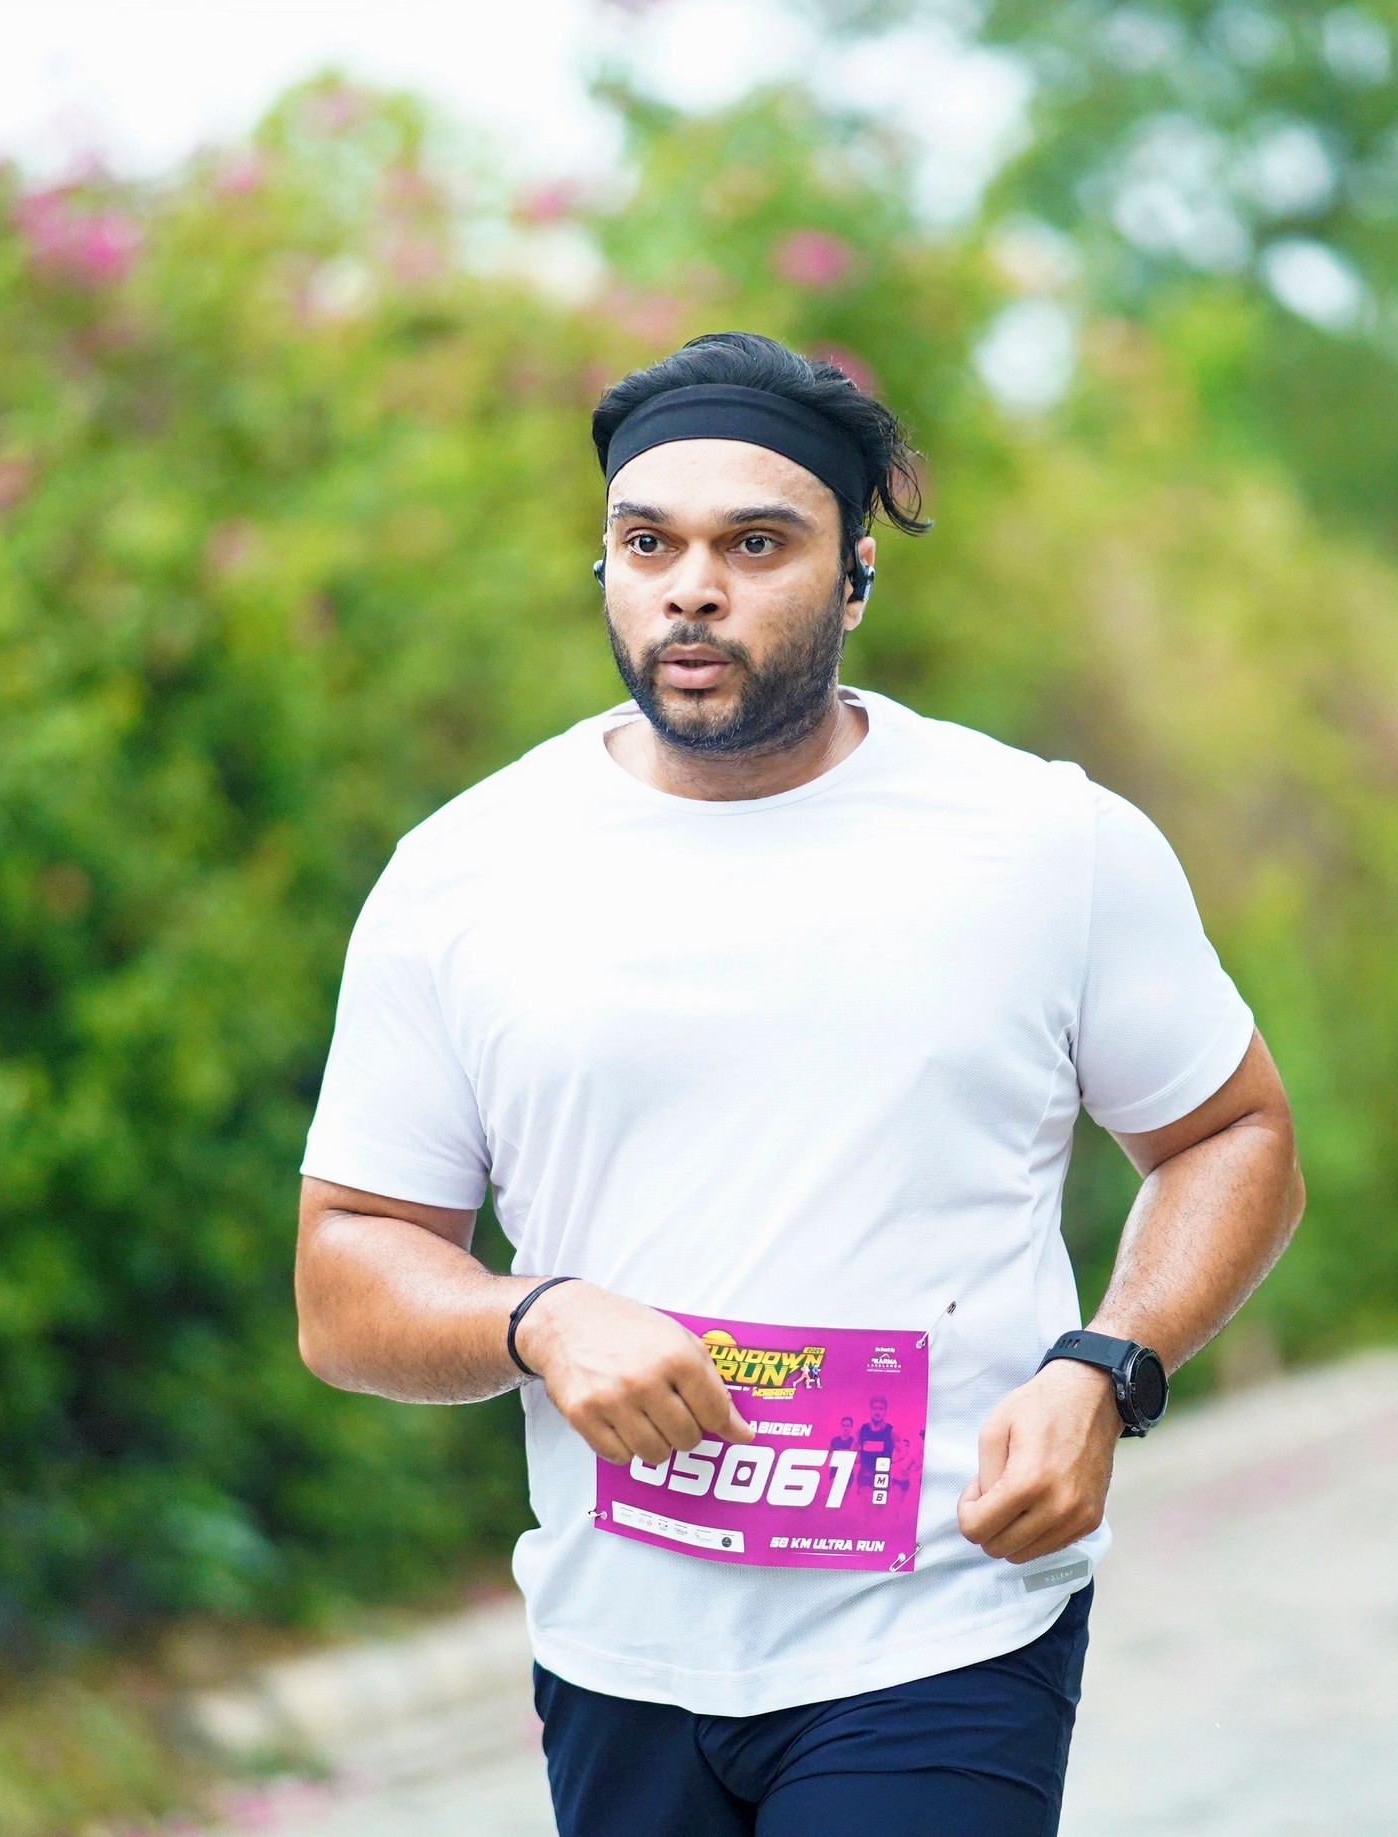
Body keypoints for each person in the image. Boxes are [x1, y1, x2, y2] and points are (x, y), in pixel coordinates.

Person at [293, 331, 1305, 1836]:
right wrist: (537, 1317)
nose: (692, 587)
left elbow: (1234, 1134)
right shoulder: (463, 875)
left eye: (755, 544)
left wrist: (1109, 1365)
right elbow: (343, 1275)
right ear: (608, 567)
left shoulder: (1044, 843)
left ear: (853, 581)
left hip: (947, 1621)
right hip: (616, 1640)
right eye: (650, 543)